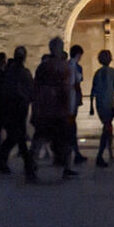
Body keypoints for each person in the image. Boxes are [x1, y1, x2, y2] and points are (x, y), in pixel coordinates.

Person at [32, 37, 76, 180]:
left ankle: (31, 167)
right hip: (58, 110)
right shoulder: (63, 67)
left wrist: (36, 108)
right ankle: (67, 168)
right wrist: (69, 109)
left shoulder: (43, 66)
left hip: (45, 109)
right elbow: (66, 89)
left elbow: (36, 88)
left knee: (40, 138)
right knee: (65, 138)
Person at [0, 45, 36, 180]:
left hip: (17, 108)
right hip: (16, 108)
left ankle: (8, 161)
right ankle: (27, 165)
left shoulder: (13, 73)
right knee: (17, 136)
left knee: (17, 137)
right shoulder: (18, 73)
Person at [90, 48, 114, 167]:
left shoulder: (97, 73)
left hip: (101, 104)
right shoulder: (112, 72)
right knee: (107, 129)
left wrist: (91, 106)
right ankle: (100, 155)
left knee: (108, 128)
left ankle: (109, 152)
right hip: (107, 104)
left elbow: (93, 90)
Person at [67, 44, 87, 164]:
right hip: (72, 99)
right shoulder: (76, 67)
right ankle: (73, 153)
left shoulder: (66, 65)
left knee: (70, 127)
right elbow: (77, 83)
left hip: (67, 99)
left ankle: (74, 152)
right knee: (71, 127)